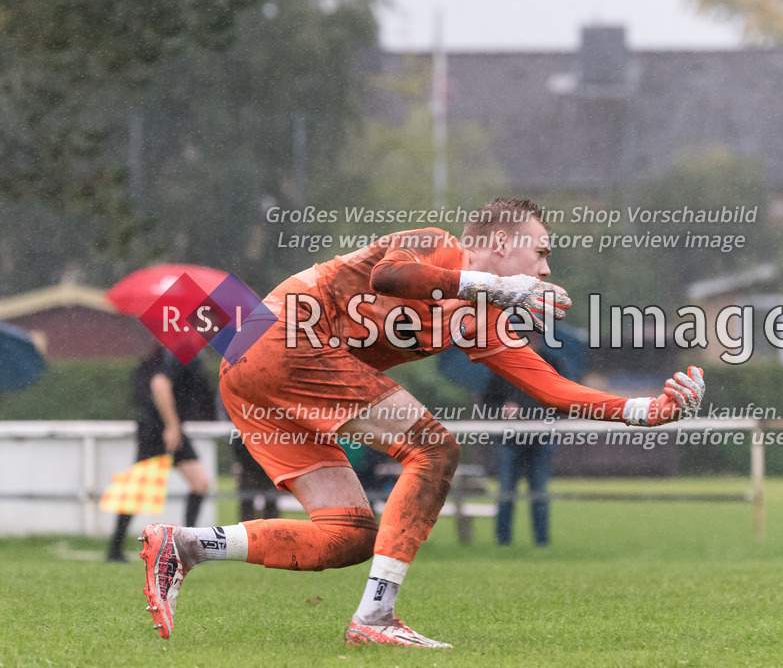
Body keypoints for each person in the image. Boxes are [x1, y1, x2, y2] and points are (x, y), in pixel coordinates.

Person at [137, 197, 705, 648]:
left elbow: (552, 388)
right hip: (279, 339)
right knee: (435, 449)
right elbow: (392, 279)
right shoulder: (435, 245)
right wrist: (503, 287)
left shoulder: (483, 318)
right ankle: (377, 617)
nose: (547, 268)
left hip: (262, 377)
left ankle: (185, 545)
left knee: (348, 535)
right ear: (501, 245)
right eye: (541, 253)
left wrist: (646, 411)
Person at [105, 346, 213, 563]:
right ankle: (114, 550)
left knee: (200, 483)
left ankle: (184, 547)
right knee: (137, 489)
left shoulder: (189, 353)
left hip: (169, 428)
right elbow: (160, 385)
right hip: (157, 429)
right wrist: (171, 426)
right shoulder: (182, 353)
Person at [483, 334, 567, 546]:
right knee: (506, 491)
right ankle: (503, 541)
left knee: (539, 492)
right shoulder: (502, 364)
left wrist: (530, 411)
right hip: (509, 439)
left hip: (541, 438)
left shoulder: (553, 364)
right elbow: (488, 401)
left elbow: (564, 400)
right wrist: (501, 410)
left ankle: (541, 541)